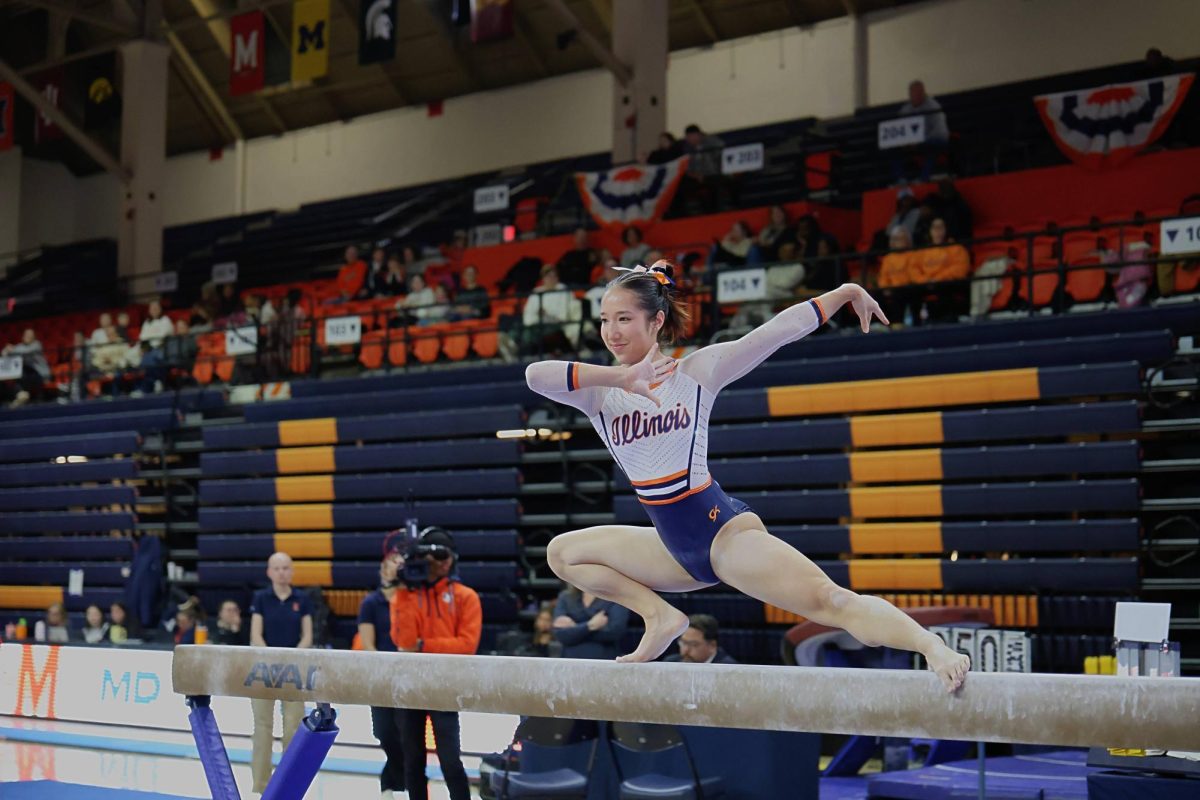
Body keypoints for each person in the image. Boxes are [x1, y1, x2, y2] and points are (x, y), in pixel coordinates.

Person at [524, 261, 970, 693]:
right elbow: (535, 375)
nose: (611, 331)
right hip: (670, 547)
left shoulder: (696, 372)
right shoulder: (599, 392)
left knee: (832, 602)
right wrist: (622, 377)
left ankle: (931, 647)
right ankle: (660, 616)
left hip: (721, 535)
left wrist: (845, 294)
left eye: (624, 318)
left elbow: (773, 334)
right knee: (563, 553)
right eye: (605, 320)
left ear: (656, 320)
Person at [389, 529, 481, 800]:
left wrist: (423, 644)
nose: (443, 562)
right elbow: (404, 642)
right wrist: (405, 591)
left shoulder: (466, 596)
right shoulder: (406, 596)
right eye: (437, 556)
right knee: (413, 760)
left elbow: (466, 646)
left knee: (450, 760)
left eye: (447, 556)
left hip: (445, 685)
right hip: (411, 685)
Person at [249, 552, 313, 794]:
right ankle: (260, 785)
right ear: (269, 572)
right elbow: (256, 634)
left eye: (286, 568)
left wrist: (293, 657)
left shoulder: (302, 599)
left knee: (294, 727)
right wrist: (270, 658)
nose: (282, 572)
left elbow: (307, 635)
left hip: (294, 669)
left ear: (292, 571)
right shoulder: (261, 598)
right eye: (277, 568)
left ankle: (288, 781)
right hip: (264, 669)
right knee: (262, 727)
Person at [358, 545, 406, 799]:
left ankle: (393, 784)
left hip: (407, 675)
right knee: (385, 732)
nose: (396, 568)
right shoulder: (371, 602)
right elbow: (367, 644)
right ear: (383, 569)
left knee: (407, 734)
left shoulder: (410, 598)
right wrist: (385, 669)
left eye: (401, 564)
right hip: (380, 675)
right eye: (392, 563)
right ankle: (399, 779)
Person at [911, 217, 970, 321]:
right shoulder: (922, 252)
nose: (937, 231)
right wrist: (926, 281)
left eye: (940, 227)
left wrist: (937, 279)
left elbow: (960, 270)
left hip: (946, 284)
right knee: (909, 290)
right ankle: (915, 323)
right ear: (930, 231)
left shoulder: (957, 248)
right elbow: (913, 270)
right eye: (934, 227)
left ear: (946, 229)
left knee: (946, 287)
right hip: (926, 284)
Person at [552, 584, 631, 660]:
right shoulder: (565, 597)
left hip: (603, 660)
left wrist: (575, 628)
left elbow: (616, 631)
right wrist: (590, 625)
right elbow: (561, 634)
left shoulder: (615, 598)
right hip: (570, 662)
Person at [518, 264, 583, 356]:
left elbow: (563, 316)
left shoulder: (563, 290)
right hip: (537, 325)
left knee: (531, 334)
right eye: (548, 276)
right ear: (543, 278)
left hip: (556, 326)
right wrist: (539, 316)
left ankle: (521, 352)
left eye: (554, 276)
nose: (551, 279)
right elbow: (528, 317)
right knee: (523, 330)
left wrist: (547, 315)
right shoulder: (537, 292)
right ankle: (516, 350)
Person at [893, 80, 950, 184]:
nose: (915, 96)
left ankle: (924, 179)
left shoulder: (934, 107)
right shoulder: (906, 110)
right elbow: (900, 129)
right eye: (913, 93)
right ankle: (901, 180)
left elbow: (940, 132)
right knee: (894, 150)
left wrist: (921, 141)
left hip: (933, 140)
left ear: (923, 92)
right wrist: (906, 142)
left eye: (918, 93)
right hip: (913, 143)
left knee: (932, 148)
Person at [2, 328, 50, 406]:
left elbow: (26, 351)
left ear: (34, 337)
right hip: (27, 375)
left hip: (40, 374)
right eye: (26, 335)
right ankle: (21, 394)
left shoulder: (37, 345)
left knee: (23, 371)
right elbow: (7, 352)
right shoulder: (20, 346)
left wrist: (11, 350)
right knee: (19, 373)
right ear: (23, 337)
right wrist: (6, 350)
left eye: (30, 335)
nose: (28, 337)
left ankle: (21, 394)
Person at [663, 614, 737, 664]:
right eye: (683, 643)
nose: (685, 650)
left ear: (712, 645)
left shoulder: (729, 669)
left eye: (693, 644)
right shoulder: (671, 663)